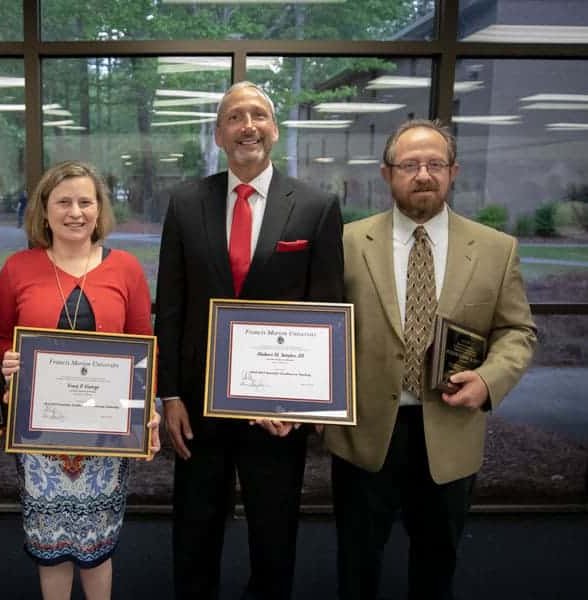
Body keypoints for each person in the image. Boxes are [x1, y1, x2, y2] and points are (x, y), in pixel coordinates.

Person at [324, 119, 537, 600]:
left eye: (435, 164)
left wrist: (488, 379)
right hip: (364, 432)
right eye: (410, 165)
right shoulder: (345, 243)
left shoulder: (496, 250)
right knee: (356, 561)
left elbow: (517, 331)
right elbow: (320, 327)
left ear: (454, 171)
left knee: (437, 563)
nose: (423, 174)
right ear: (387, 174)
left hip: (450, 430)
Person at [154, 81, 345, 599]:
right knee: (194, 533)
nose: (248, 126)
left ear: (275, 130)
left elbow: (326, 311)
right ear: (219, 135)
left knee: (274, 534)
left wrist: (305, 404)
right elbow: (170, 306)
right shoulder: (186, 203)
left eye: (258, 114)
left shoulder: (316, 206)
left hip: (277, 410)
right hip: (197, 405)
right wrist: (168, 393)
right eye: (234, 117)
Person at [0, 160, 161, 600]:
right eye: (63, 201)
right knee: (49, 547)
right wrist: (6, 362)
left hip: (106, 435)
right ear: (44, 211)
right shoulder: (17, 269)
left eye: (86, 201)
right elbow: (1, 335)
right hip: (40, 439)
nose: (75, 211)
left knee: (98, 546)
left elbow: (144, 346)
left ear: (99, 208)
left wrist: (148, 413)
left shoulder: (125, 268)